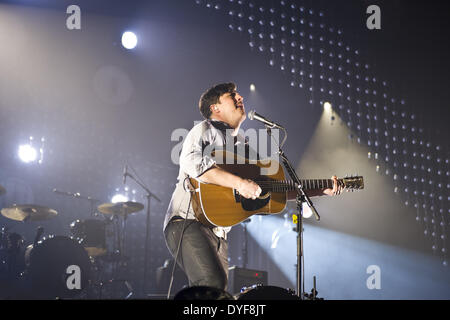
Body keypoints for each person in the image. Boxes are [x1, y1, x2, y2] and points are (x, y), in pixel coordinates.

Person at [163, 82, 342, 292]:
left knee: (219, 293)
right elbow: (190, 162)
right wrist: (239, 183)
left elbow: (273, 188)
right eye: (232, 95)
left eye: (239, 95)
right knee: (211, 286)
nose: (240, 98)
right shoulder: (205, 129)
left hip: (218, 231)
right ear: (215, 108)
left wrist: (321, 189)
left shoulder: (243, 146)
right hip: (188, 222)